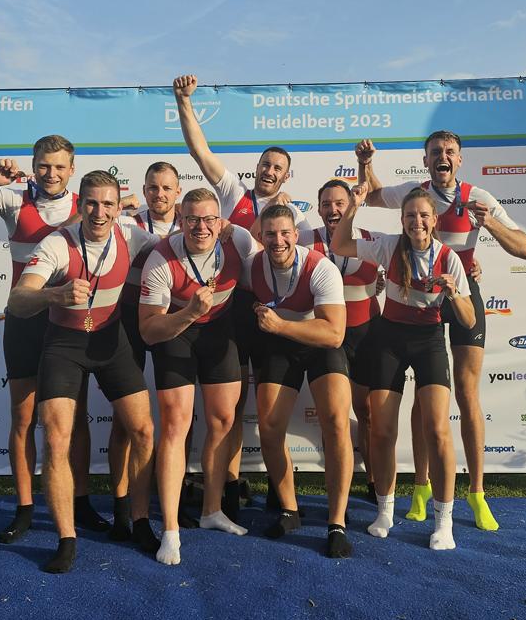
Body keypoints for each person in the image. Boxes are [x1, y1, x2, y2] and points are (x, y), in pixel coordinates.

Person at [0, 135, 108, 543]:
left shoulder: (89, 205)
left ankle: (81, 501)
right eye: (44, 165)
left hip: (67, 323)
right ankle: (25, 508)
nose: (51, 173)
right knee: (24, 418)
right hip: (25, 320)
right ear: (33, 164)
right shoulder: (13, 200)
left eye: (60, 167)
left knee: (76, 418)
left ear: (72, 169)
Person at [356, 132, 526, 531]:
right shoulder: (415, 194)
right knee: (425, 398)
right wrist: (366, 165)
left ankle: (478, 494)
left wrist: (489, 223)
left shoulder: (478, 197)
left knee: (467, 394)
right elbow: (372, 196)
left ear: (460, 159)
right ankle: (421, 487)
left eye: (450, 152)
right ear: (426, 160)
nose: (443, 157)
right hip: (421, 303)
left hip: (460, 294)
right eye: (436, 152)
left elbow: (525, 248)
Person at [8, 170, 161, 573]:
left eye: (108, 204)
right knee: (56, 438)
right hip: (65, 346)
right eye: (91, 203)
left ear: (118, 207)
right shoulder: (58, 243)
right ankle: (66, 538)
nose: (99, 212)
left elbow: (179, 249)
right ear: (81, 203)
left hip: (111, 343)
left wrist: (224, 231)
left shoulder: (131, 235)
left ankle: (138, 520)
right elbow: (18, 300)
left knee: (143, 431)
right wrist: (54, 294)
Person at [173, 74, 307, 519]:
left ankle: (279, 492)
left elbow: (319, 257)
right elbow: (200, 151)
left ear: (286, 175)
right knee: (229, 408)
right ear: (258, 166)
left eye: (278, 168)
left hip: (271, 313)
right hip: (232, 309)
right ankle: (228, 487)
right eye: (266, 163)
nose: (269, 171)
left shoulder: (294, 215)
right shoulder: (233, 192)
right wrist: (184, 101)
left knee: (269, 410)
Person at [331, 184, 475, 550]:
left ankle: (444, 523)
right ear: (402, 219)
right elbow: (340, 245)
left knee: (437, 430)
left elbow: (470, 320)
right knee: (381, 431)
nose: (417, 222)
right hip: (389, 339)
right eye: (410, 216)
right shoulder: (389, 245)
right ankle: (385, 511)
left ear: (434, 219)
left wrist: (453, 292)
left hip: (429, 341)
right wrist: (353, 208)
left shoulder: (449, 258)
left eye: (424, 215)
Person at [139, 188, 258, 565]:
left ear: (221, 221)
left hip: (220, 332)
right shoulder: (162, 257)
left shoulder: (238, 239)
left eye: (209, 219)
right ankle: (170, 530)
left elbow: (273, 267)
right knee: (176, 425)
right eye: (192, 219)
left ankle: (211, 510)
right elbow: (148, 331)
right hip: (176, 331)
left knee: (222, 420)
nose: (201, 227)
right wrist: (189, 313)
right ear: (181, 219)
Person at [245, 203, 354, 559]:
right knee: (269, 427)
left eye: (284, 234)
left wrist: (281, 325)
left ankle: (336, 522)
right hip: (281, 344)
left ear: (296, 234)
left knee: (336, 422)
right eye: (270, 234)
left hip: (320, 343)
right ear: (261, 237)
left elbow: (335, 334)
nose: (278, 241)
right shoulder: (252, 265)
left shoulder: (320, 268)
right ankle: (289, 510)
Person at [113, 161, 187, 536]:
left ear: (178, 192)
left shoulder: (192, 223)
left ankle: (174, 498)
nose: (160, 194)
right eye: (153, 188)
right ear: (143, 191)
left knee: (178, 416)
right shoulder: (128, 222)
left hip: (171, 320)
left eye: (166, 188)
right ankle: (121, 505)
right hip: (128, 318)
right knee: (125, 418)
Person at [298, 179, 382, 503]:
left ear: (351, 206)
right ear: (318, 209)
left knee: (367, 412)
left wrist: (467, 270)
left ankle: (374, 482)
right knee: (333, 416)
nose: (333, 210)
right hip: (327, 336)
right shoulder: (304, 240)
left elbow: (411, 262)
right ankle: (338, 495)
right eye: (326, 204)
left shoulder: (372, 240)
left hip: (366, 334)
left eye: (339, 204)